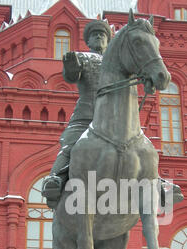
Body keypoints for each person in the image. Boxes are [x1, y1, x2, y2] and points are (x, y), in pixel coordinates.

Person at [42, 19, 112, 209]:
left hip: (113, 116)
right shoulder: (82, 57)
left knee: (138, 143)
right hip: (86, 115)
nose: (98, 36)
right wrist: (71, 64)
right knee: (70, 144)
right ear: (88, 42)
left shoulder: (116, 64)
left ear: (108, 41)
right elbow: (71, 76)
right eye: (94, 35)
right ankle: (54, 180)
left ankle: (156, 184)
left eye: (102, 34)